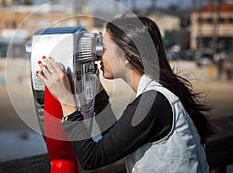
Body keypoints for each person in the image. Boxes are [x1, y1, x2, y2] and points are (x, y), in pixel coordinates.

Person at [36, 16, 213, 172]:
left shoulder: (152, 103)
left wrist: (67, 101)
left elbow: (92, 158)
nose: (97, 56)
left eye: (102, 48)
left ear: (127, 55)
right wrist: (98, 96)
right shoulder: (157, 95)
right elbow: (115, 143)